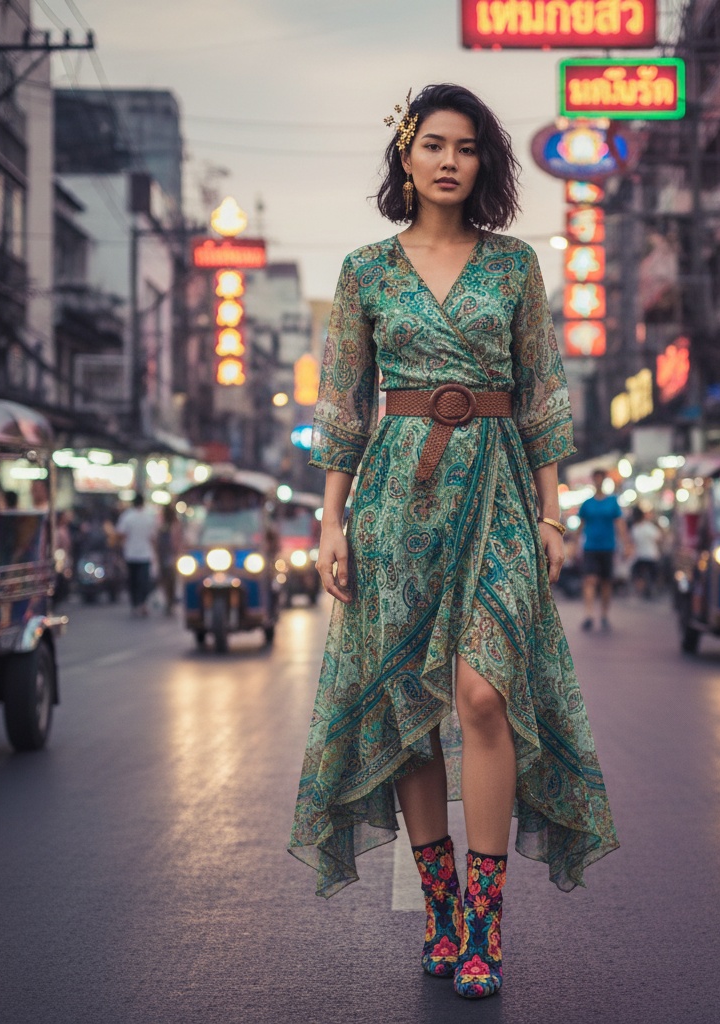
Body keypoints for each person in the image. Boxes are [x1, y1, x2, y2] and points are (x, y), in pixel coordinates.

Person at [288, 84, 618, 1001]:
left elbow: (543, 391)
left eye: (466, 147)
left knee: (481, 695)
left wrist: (552, 514)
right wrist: (331, 522)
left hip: (500, 490)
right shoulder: (365, 270)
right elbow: (342, 404)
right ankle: (441, 913)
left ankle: (486, 922)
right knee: (410, 705)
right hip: (396, 499)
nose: (448, 161)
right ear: (406, 154)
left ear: (484, 164)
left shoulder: (514, 266)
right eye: (433, 144)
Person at [579, 468, 627, 630]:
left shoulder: (612, 502)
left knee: (606, 582)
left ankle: (604, 615)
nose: (598, 481)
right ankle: (588, 615)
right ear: (593, 480)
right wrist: (572, 545)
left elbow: (620, 524)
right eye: (596, 478)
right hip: (590, 547)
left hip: (608, 547)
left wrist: (627, 544)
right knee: (590, 580)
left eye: (601, 478)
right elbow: (580, 525)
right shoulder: (587, 504)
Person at [115, 493, 157, 618]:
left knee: (133, 581)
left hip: (131, 554)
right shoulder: (149, 516)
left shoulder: (127, 516)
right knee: (144, 581)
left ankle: (135, 604)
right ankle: (142, 603)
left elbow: (120, 534)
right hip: (145, 554)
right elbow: (153, 537)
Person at [629, 506, 663, 599]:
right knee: (654, 575)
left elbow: (632, 543)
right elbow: (659, 538)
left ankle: (641, 591)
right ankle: (653, 589)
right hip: (651, 555)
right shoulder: (649, 527)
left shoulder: (635, 528)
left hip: (640, 556)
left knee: (638, 575)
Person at [155, 503, 183, 616]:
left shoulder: (171, 525)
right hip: (168, 555)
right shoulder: (165, 525)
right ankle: (169, 601)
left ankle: (170, 601)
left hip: (169, 555)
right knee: (169, 580)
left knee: (168, 579)